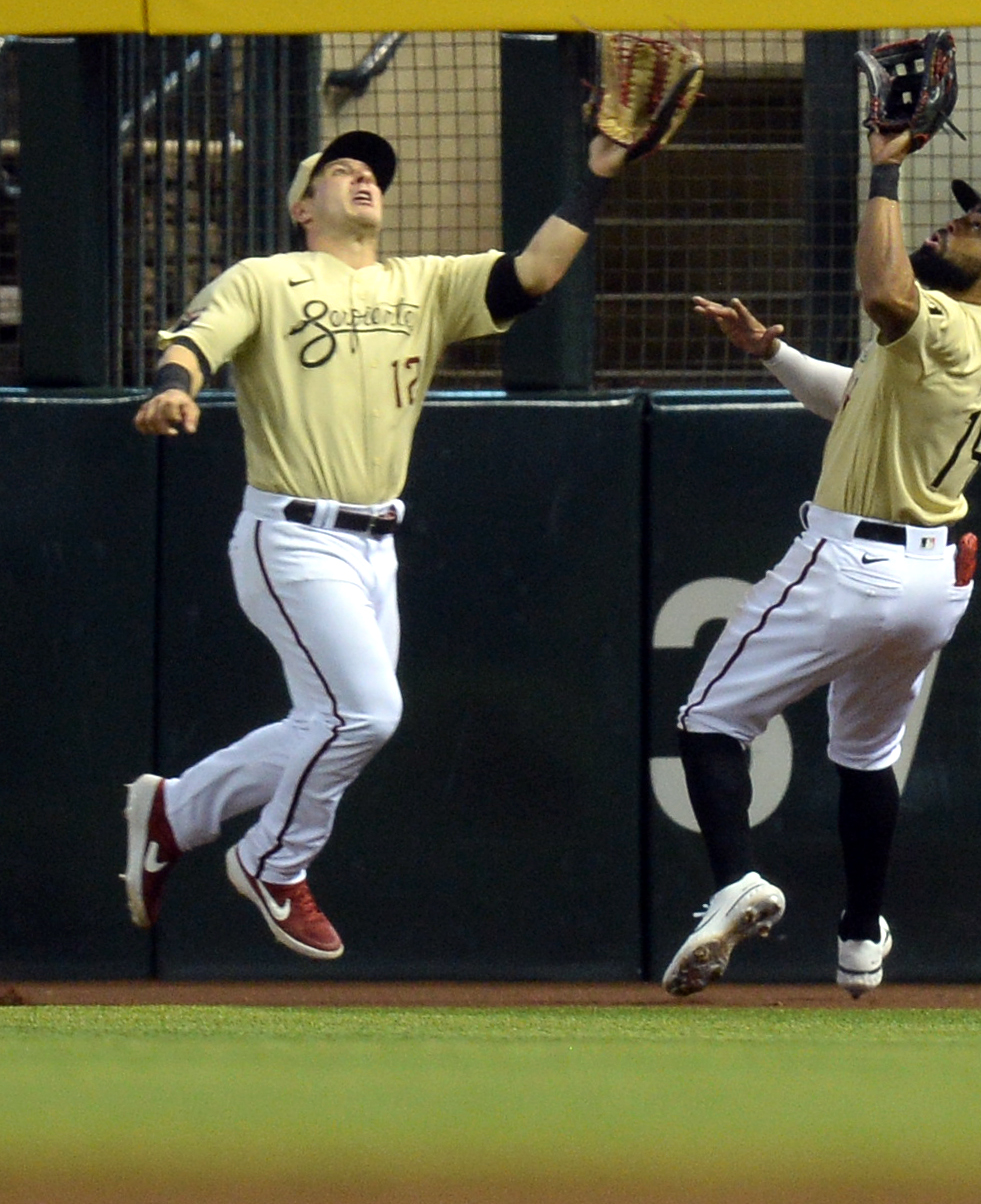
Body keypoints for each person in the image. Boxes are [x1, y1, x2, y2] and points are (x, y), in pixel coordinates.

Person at [124, 125, 626, 960]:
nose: (363, 181)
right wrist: (176, 388)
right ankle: (272, 863)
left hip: (373, 546)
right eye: (340, 171)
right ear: (301, 205)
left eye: (373, 175)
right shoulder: (269, 278)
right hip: (291, 535)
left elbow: (534, 273)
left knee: (323, 720)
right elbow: (194, 340)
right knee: (368, 711)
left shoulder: (423, 284)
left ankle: (177, 812)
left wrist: (597, 175)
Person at [662, 125, 981, 997]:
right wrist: (771, 353)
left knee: (709, 719)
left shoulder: (948, 323)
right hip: (931, 584)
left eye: (980, 227)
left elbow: (884, 289)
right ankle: (858, 938)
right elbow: (854, 399)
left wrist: (885, 167)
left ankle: (736, 882)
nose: (960, 225)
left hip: (854, 562)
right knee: (867, 755)